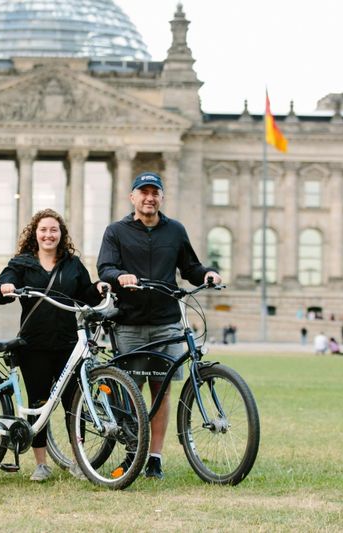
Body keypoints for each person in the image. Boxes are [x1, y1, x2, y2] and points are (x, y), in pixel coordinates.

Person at [97, 171, 221, 480]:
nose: (149, 197)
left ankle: (155, 458)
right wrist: (119, 276)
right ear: (133, 197)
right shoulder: (116, 231)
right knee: (130, 391)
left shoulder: (175, 231)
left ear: (161, 197)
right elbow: (105, 266)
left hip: (167, 322)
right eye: (143, 192)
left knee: (161, 391)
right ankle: (132, 452)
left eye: (155, 192)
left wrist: (207, 274)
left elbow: (190, 267)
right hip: (129, 322)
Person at [0, 209, 108, 482]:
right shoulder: (21, 263)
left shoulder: (72, 264)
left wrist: (99, 287)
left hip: (69, 343)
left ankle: (79, 462)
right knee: (39, 402)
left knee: (73, 404)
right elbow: (0, 290)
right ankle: (41, 464)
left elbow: (86, 294)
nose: (48, 235)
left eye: (53, 230)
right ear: (35, 233)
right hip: (34, 344)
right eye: (43, 230)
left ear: (61, 234)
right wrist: (8, 286)